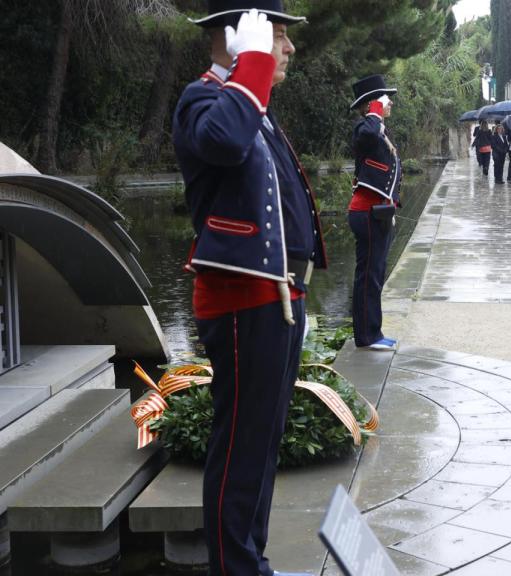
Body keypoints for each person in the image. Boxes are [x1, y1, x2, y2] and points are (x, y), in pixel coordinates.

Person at [171, 3, 326, 575]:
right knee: (239, 450)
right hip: (243, 303)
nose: (287, 49)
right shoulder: (205, 99)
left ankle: (250, 562)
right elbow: (223, 144)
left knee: (260, 447)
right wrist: (252, 65)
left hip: (278, 300)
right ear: (237, 39)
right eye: (276, 37)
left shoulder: (250, 105)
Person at [348, 74, 403, 352]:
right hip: (366, 214)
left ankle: (374, 331)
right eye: (384, 98)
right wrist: (375, 111)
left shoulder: (377, 129)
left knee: (375, 273)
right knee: (369, 274)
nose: (389, 102)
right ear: (372, 105)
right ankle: (367, 337)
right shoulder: (365, 128)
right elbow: (369, 134)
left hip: (377, 213)